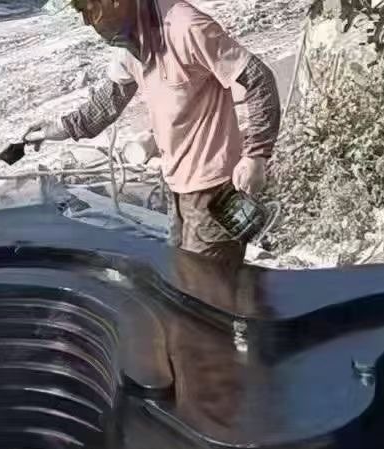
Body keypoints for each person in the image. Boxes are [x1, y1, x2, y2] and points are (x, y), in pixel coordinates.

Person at [24, 0, 282, 262]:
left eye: (88, 9)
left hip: (215, 190)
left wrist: (256, 155)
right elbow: (108, 102)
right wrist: (56, 129)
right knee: (182, 272)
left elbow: (259, 78)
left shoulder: (186, 26)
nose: (87, 21)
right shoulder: (131, 42)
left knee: (206, 280)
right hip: (177, 187)